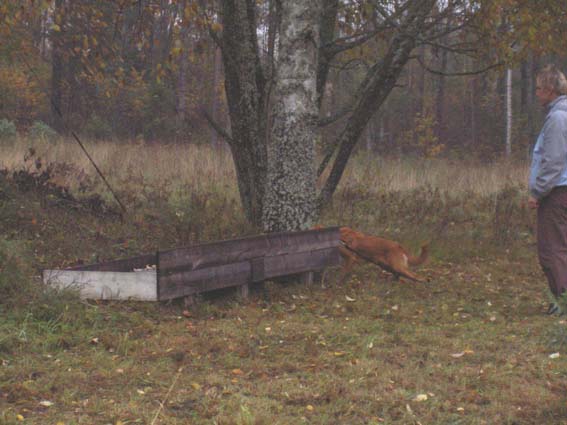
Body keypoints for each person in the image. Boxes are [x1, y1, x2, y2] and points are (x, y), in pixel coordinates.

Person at [528, 64, 567, 315]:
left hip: (556, 192)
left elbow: (553, 160)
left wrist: (538, 192)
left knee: (551, 248)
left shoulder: (557, 118)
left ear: (551, 90)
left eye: (540, 89)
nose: (537, 93)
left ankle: (561, 301)